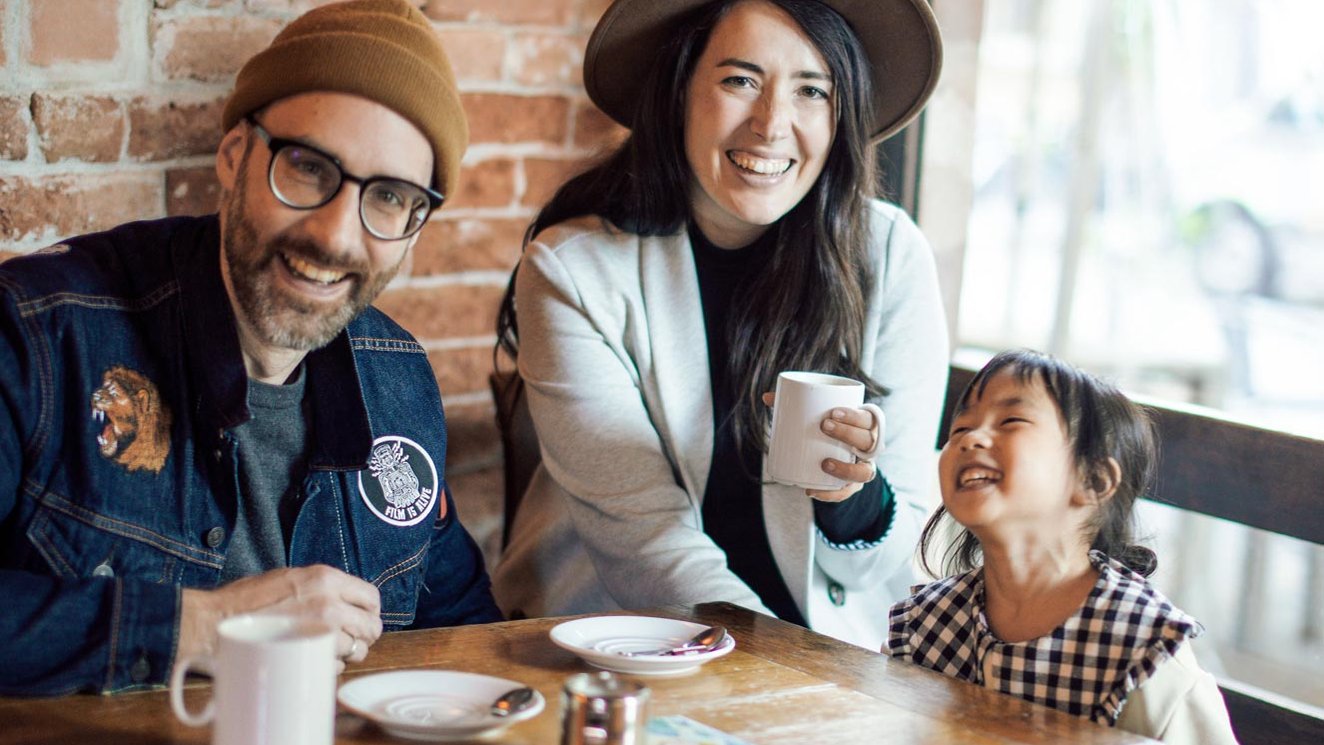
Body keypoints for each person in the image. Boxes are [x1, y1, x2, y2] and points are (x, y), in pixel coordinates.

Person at [0, 0, 501, 696]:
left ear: (415, 226)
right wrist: (201, 627)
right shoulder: (39, 332)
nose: (335, 235)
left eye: (388, 197)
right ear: (235, 156)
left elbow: (470, 634)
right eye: (307, 167)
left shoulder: (400, 381)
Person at [492, 0, 949, 649]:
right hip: (618, 641)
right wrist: (789, 665)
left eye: (811, 90)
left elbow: (889, 556)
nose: (771, 125)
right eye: (739, 80)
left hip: (831, 653)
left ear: (840, 112)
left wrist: (852, 502)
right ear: (680, 89)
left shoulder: (890, 257)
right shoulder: (574, 271)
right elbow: (645, 538)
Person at [886, 350, 1238, 743]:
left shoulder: (1142, 651)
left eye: (1011, 421)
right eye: (960, 428)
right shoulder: (926, 625)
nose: (972, 438)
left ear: (1094, 481)